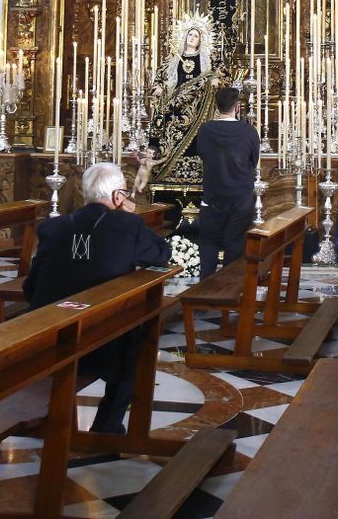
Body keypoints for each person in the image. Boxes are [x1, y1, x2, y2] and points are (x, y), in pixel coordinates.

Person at [24, 161, 171, 434]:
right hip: (103, 343)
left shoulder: (53, 228)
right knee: (138, 343)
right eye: (124, 193)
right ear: (118, 197)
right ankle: (106, 426)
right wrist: (133, 215)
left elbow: (30, 289)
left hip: (45, 336)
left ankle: (53, 418)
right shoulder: (128, 225)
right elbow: (162, 254)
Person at [188, 86, 260, 279]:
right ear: (237, 106)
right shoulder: (249, 131)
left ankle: (204, 292)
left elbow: (201, 154)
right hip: (241, 198)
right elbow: (254, 161)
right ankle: (229, 292)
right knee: (235, 243)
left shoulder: (205, 130)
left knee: (208, 242)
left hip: (213, 196)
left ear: (216, 106)